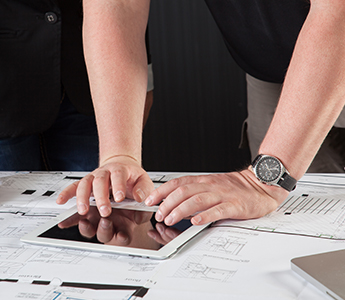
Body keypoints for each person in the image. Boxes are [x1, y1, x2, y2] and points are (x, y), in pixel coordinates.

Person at [57, 0, 345, 227]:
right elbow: (117, 6)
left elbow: (338, 11)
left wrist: (261, 183)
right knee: (303, 227)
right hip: (274, 70)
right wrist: (120, 155)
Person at [0, 0, 153, 171]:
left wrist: (122, 156)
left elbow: (123, 6)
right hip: (7, 91)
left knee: (108, 189)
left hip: (89, 83)